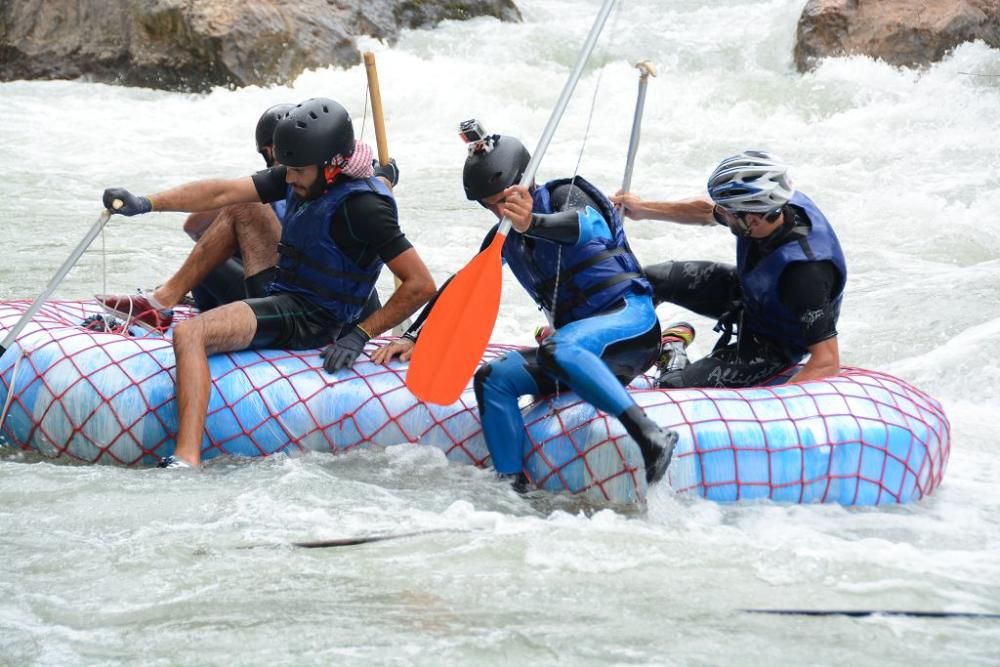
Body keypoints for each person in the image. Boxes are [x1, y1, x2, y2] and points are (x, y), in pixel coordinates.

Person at [99, 97, 437, 468]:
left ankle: (186, 458)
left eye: (297, 171)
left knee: (190, 334)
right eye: (287, 168)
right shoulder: (309, 174)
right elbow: (221, 192)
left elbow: (420, 284)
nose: (288, 178)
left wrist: (362, 334)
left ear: (333, 165)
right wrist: (146, 203)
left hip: (316, 320)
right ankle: (162, 300)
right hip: (287, 297)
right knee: (242, 205)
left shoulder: (365, 208)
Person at [373, 124, 678, 487]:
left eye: (507, 199)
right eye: (492, 206)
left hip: (630, 329)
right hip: (572, 353)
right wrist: (414, 336)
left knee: (557, 346)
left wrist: (533, 222)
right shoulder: (503, 236)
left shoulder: (567, 194)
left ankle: (650, 436)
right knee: (493, 379)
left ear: (526, 182)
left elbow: (585, 227)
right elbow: (462, 287)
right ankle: (511, 487)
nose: (501, 211)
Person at [612, 150, 846, 388]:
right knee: (646, 281)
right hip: (748, 291)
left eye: (726, 211)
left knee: (673, 386)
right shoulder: (763, 210)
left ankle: (672, 351)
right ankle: (617, 349)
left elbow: (827, 361)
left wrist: (778, 404)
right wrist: (642, 209)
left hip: (772, 342)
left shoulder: (805, 274)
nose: (719, 213)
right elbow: (706, 211)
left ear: (752, 220)